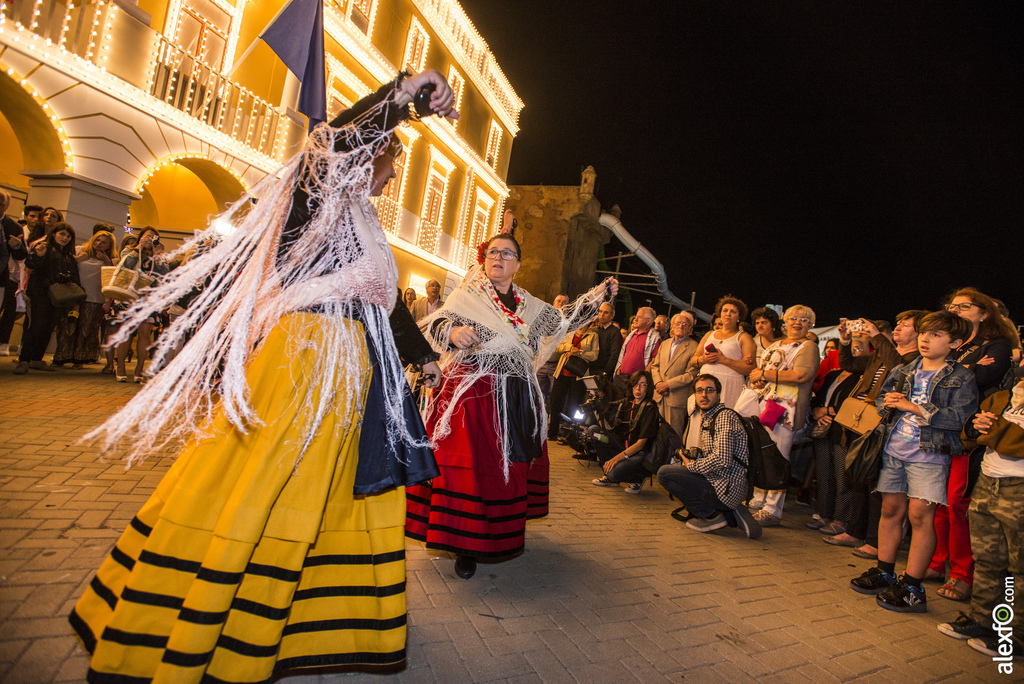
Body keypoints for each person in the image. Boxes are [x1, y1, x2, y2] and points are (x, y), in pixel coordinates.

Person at [70, 69, 453, 681]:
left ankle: (310, 613)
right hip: (308, 358)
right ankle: (208, 611)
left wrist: (421, 355)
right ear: (367, 152)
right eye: (390, 159)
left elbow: (385, 301)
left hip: (357, 362)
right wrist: (401, 95)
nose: (392, 172)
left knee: (328, 486)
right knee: (270, 476)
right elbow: (334, 142)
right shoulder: (315, 193)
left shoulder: (365, 223)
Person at [406, 225, 616, 579]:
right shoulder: (468, 294)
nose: (498, 258)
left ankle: (498, 534)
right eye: (493, 253)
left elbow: (561, 323)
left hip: (516, 394)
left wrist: (595, 300)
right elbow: (437, 323)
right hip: (470, 391)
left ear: (518, 264)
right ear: (484, 261)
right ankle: (463, 544)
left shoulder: (531, 305)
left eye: (507, 253)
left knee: (509, 468)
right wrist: (454, 332)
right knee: (467, 467)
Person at [850, 311, 978, 614]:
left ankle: (912, 585)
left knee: (922, 517)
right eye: (924, 332)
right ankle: (884, 571)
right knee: (891, 510)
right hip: (894, 448)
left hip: (930, 454)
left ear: (955, 343)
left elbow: (961, 418)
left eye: (936, 335)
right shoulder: (906, 369)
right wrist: (888, 404)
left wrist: (915, 408)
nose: (925, 339)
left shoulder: (961, 377)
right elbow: (882, 400)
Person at [927, 288, 1018, 603]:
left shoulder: (997, 345)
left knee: (957, 504)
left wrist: (953, 373)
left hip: (968, 433)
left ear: (984, 313)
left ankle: (963, 574)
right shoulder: (955, 346)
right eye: (952, 306)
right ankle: (937, 562)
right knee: (935, 501)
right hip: (939, 428)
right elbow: (931, 379)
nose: (956, 310)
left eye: (964, 306)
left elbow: (980, 378)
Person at [937, 377, 1024, 659]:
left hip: (1019, 488)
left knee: (1019, 568)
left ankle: (1017, 635)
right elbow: (968, 436)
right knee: (987, 560)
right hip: (988, 482)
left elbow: (1016, 442)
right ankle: (983, 620)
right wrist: (975, 427)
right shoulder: (1002, 396)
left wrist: (993, 430)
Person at [828, 311, 925, 555]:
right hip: (862, 423)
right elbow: (849, 364)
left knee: (878, 486)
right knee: (861, 478)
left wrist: (877, 337)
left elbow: (901, 370)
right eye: (898, 323)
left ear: (919, 333)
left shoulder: (915, 358)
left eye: (905, 324)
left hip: (886, 426)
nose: (899, 327)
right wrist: (845, 341)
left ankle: (875, 541)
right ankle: (855, 531)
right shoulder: (881, 354)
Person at [657, 374, 761, 538]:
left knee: (665, 474)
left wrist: (692, 466)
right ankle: (729, 512)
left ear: (719, 395)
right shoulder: (711, 416)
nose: (704, 395)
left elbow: (722, 459)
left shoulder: (724, 417)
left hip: (726, 486)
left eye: (709, 390)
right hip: (723, 482)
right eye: (699, 391)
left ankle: (712, 516)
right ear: (695, 396)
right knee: (677, 471)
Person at [746, 305, 820, 526]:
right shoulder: (777, 344)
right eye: (793, 318)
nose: (798, 323)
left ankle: (772, 510)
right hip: (764, 405)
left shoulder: (809, 346)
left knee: (778, 457)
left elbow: (801, 375)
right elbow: (758, 371)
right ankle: (758, 501)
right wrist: (757, 377)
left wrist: (765, 374)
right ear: (784, 322)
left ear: (811, 325)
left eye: (804, 320)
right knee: (761, 453)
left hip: (786, 411)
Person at [14, 222, 81, 374]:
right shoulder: (45, 249)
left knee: (48, 328)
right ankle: (24, 360)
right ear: (54, 234)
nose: (65, 238)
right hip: (41, 294)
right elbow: (30, 264)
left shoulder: (69, 256)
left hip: (60, 298)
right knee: (36, 326)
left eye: (68, 235)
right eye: (62, 234)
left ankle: (37, 359)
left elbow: (75, 278)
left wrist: (77, 296)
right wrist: (39, 255)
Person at [109, 227, 169, 382]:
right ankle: (120, 367)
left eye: (153, 237)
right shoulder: (129, 251)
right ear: (140, 237)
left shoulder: (159, 256)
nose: (150, 239)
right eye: (147, 236)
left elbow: (163, 275)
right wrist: (139, 248)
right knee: (126, 332)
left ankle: (139, 368)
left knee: (144, 334)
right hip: (129, 296)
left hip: (148, 298)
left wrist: (157, 255)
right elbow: (125, 266)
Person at [591, 369, 661, 494]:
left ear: (648, 387)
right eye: (635, 384)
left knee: (615, 471)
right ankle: (612, 477)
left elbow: (641, 444)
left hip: (640, 454)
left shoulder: (650, 408)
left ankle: (637, 478)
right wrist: (596, 411)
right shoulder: (626, 405)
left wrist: (616, 459)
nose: (638, 388)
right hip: (623, 448)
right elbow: (610, 431)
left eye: (643, 384)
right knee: (594, 432)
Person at [53, 230, 116, 368]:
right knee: (67, 327)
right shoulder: (80, 250)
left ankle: (79, 360)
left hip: (94, 298)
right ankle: (61, 357)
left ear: (109, 247)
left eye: (103, 242)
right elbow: (66, 265)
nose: (99, 243)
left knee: (86, 330)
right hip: (74, 296)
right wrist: (77, 259)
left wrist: (106, 261)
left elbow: (111, 279)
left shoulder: (111, 260)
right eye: (97, 240)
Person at [691, 296, 756, 408]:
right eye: (725, 310)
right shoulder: (709, 335)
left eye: (733, 311)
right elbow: (693, 360)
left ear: (739, 317)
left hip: (730, 386)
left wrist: (723, 359)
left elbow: (750, 369)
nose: (728, 314)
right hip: (705, 384)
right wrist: (703, 359)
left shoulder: (744, 337)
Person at [547, 320, 600, 441]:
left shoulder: (593, 335)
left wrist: (579, 352)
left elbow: (594, 355)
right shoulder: (569, 332)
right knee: (556, 402)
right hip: (562, 371)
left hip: (578, 374)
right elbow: (558, 347)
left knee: (574, 404)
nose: (581, 322)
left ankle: (570, 435)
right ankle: (553, 432)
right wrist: (570, 347)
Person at [650, 311, 699, 439]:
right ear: (672, 326)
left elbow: (691, 374)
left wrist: (668, 385)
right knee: (655, 433)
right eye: (678, 323)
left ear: (690, 329)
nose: (681, 326)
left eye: (685, 324)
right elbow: (655, 366)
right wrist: (658, 383)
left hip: (676, 398)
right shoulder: (665, 344)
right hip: (659, 396)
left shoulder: (694, 347)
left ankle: (673, 459)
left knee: (673, 435)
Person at [0, 190, 28, 353]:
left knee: (8, 312)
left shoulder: (13, 227)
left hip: (3, 278)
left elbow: (22, 254)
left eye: (1, 204)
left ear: (7, 206)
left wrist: (16, 245)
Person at [614, 306, 660, 397]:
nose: (635, 319)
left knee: (629, 407)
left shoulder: (654, 338)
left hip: (636, 381)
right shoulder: (631, 335)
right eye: (636, 316)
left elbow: (655, 359)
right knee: (615, 405)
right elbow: (625, 353)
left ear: (648, 321)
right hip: (621, 377)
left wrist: (645, 375)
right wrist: (620, 366)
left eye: (639, 317)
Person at [536, 293, 570, 398]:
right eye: (559, 301)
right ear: (553, 303)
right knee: (538, 393)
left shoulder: (568, 323)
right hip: (542, 362)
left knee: (555, 394)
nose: (561, 304)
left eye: (564, 302)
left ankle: (551, 414)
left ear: (568, 306)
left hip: (556, 364)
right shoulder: (544, 319)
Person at [588, 301, 622, 377]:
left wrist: (606, 372)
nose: (602, 315)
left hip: (602, 371)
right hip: (589, 368)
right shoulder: (594, 329)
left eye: (606, 312)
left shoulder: (615, 332)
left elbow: (614, 355)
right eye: (600, 311)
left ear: (612, 316)